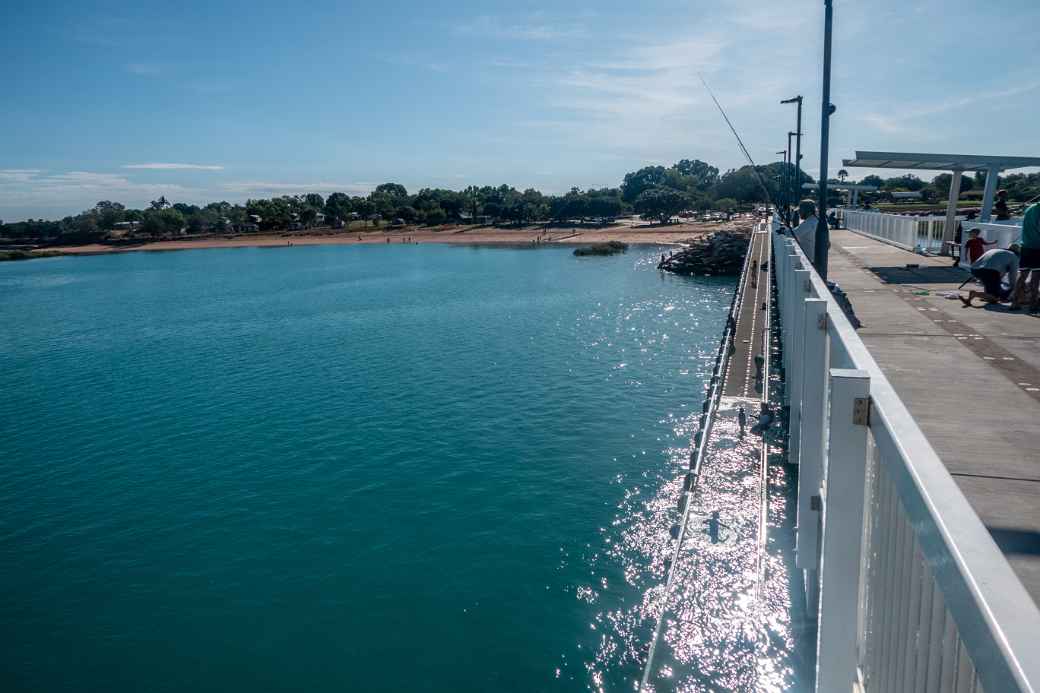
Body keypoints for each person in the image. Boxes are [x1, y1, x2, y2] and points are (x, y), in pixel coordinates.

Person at [1013, 201, 1040, 312]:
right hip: (1037, 247)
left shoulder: (1030, 208)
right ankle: (1033, 305)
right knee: (1035, 277)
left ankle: (1015, 302)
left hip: (1025, 247)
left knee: (1022, 276)